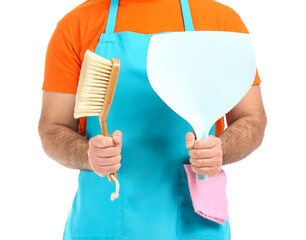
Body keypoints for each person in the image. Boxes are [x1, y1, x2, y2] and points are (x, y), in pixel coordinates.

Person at [38, 0, 267, 239]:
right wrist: (88, 154)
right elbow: (53, 126)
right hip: (103, 226)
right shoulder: (77, 24)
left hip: (196, 227)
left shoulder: (222, 23)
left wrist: (221, 149)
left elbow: (252, 117)